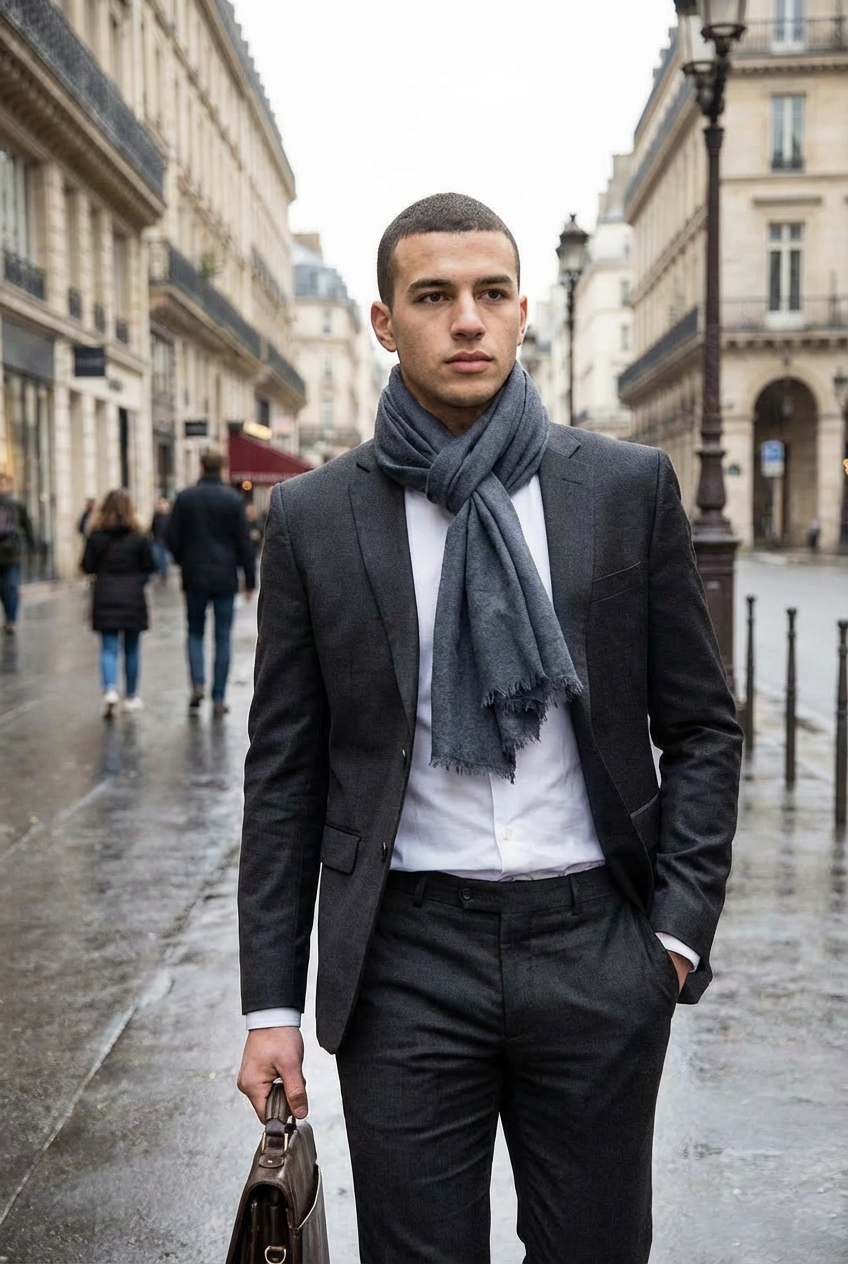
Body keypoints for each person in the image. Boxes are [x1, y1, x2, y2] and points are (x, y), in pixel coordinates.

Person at [236, 194, 742, 1264]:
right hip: (404, 956)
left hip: (596, 948)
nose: (464, 319)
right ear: (384, 322)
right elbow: (283, 775)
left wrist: (672, 938)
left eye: (489, 294)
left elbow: (700, 725)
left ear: (519, 313)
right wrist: (269, 1006)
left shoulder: (621, 488)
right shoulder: (317, 517)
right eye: (433, 296)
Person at [166, 449, 256, 716]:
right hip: (224, 576)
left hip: (194, 575)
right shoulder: (232, 499)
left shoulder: (185, 498)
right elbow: (244, 542)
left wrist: (183, 559)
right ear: (223, 468)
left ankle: (197, 683)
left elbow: (171, 537)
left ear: (201, 466)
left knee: (194, 632)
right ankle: (218, 698)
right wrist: (249, 579)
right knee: (223, 638)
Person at [81, 489, 155, 717]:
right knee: (132, 648)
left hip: (105, 595)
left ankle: (110, 690)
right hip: (133, 596)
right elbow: (150, 565)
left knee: (108, 647)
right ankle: (131, 696)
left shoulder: (96, 536)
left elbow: (86, 566)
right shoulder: (139, 537)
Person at [0, 472, 35, 635]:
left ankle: (11, 619)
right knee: (5, 588)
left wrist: (32, 547)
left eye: (4, 483)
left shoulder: (16, 506)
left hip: (11, 554)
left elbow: (27, 527)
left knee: (11, 588)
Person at [150, 497, 172, 581]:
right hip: (157, 538)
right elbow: (153, 526)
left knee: (164, 557)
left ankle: (163, 572)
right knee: (157, 556)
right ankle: (160, 570)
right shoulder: (156, 516)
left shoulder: (170, 516)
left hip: (166, 539)